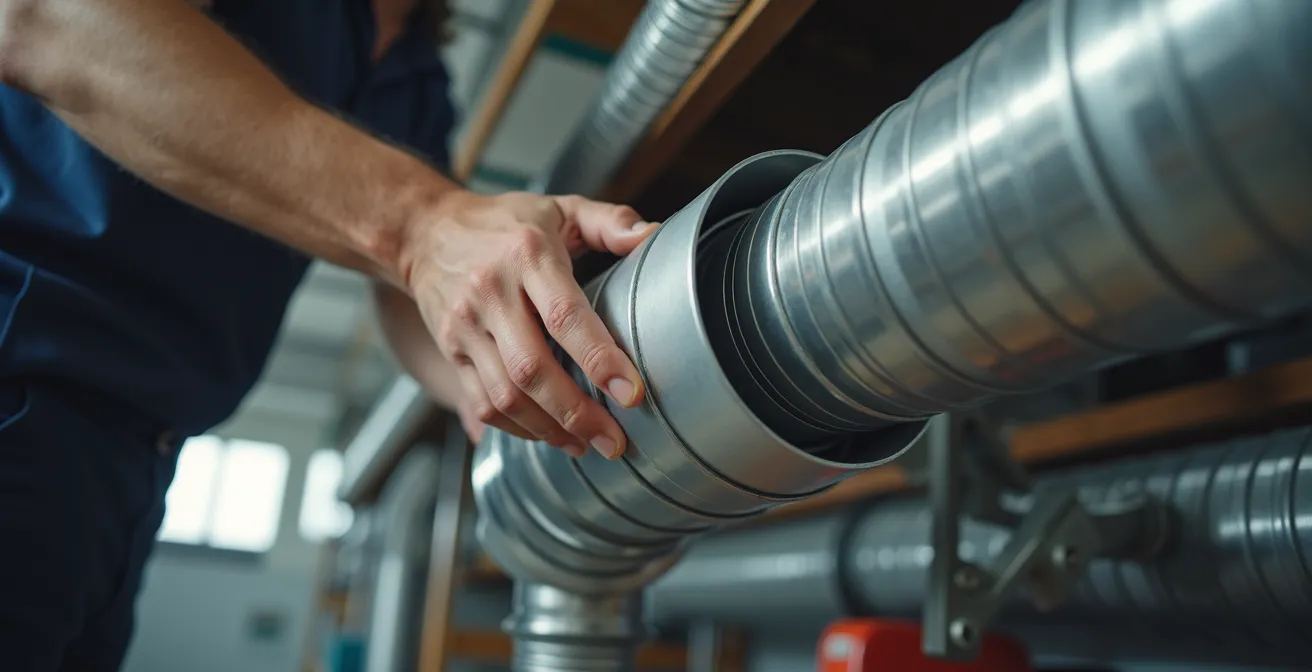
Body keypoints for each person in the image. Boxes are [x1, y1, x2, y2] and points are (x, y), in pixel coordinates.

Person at [0, 0, 655, 668]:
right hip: (23, 374)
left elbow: (410, 299)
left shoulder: (416, 77)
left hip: (136, 462)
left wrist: (500, 372)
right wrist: (424, 223)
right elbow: (43, 18)